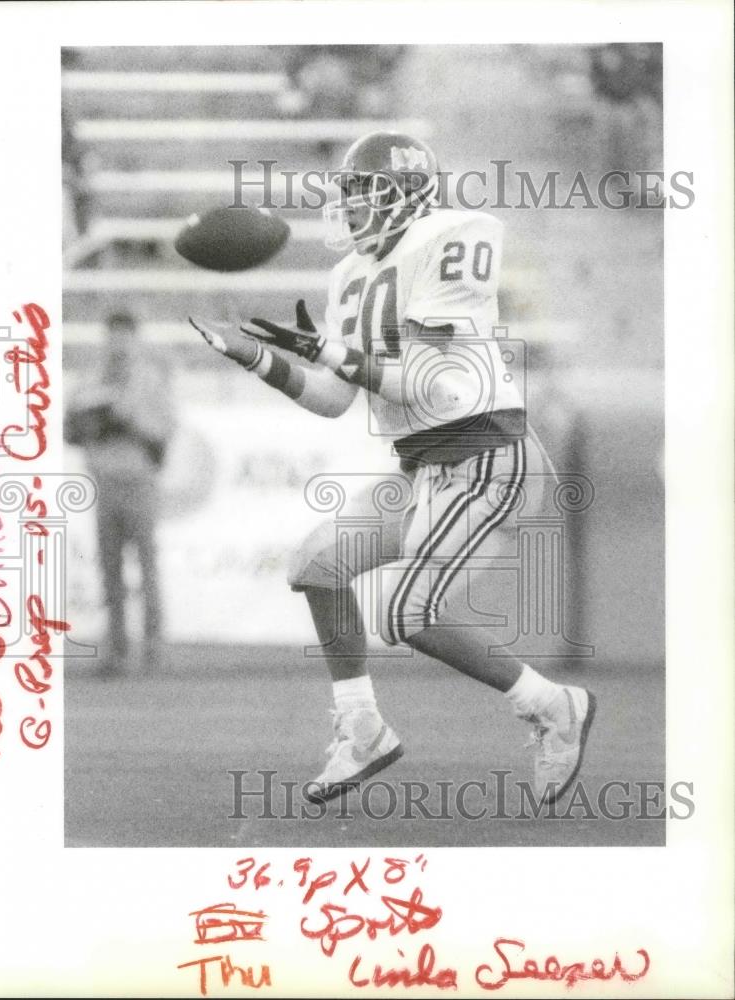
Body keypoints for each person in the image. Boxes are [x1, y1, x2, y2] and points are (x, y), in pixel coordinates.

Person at [190, 131, 595, 804]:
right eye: (347, 193)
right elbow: (333, 397)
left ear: (409, 195)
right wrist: (256, 359)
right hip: (424, 466)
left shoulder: (454, 237)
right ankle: (362, 729)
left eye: (364, 192)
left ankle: (554, 705)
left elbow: (437, 384)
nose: (349, 207)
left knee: (407, 614)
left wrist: (329, 351)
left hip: (488, 453)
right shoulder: (349, 274)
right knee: (316, 563)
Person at [65, 311, 176, 674]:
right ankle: (117, 649)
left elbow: (163, 435)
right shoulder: (90, 379)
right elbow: (70, 430)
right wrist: (92, 420)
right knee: (110, 570)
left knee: (147, 567)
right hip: (105, 481)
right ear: (106, 338)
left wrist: (129, 418)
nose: (118, 343)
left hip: (139, 480)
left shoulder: (150, 380)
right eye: (113, 336)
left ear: (135, 339)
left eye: (125, 336)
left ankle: (154, 647)